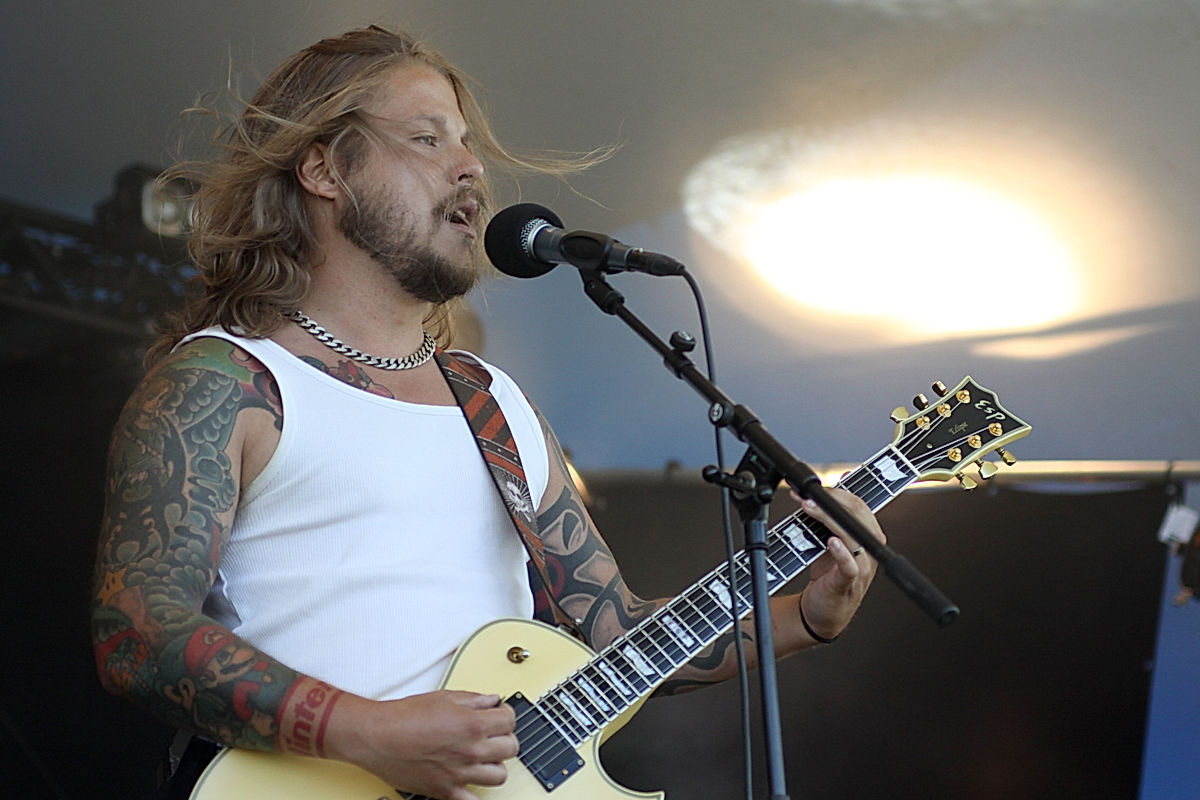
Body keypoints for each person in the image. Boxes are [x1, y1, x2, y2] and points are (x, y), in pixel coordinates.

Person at [90, 25, 885, 800]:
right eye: (428, 139)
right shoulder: (227, 382)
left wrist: (800, 618)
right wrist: (367, 732)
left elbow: (613, 635)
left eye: (466, 144)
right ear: (325, 168)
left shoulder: (493, 402)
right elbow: (138, 634)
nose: (470, 168)